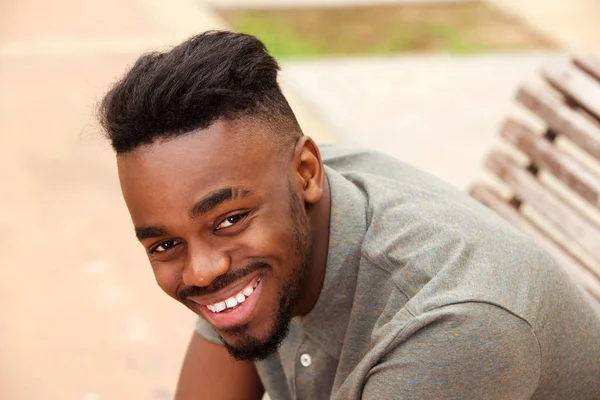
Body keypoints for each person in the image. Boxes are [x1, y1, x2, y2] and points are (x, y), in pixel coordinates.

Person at [99, 30, 600, 400]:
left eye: (228, 219)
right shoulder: (250, 222)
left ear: (307, 173)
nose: (202, 270)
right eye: (165, 245)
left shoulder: (454, 328)